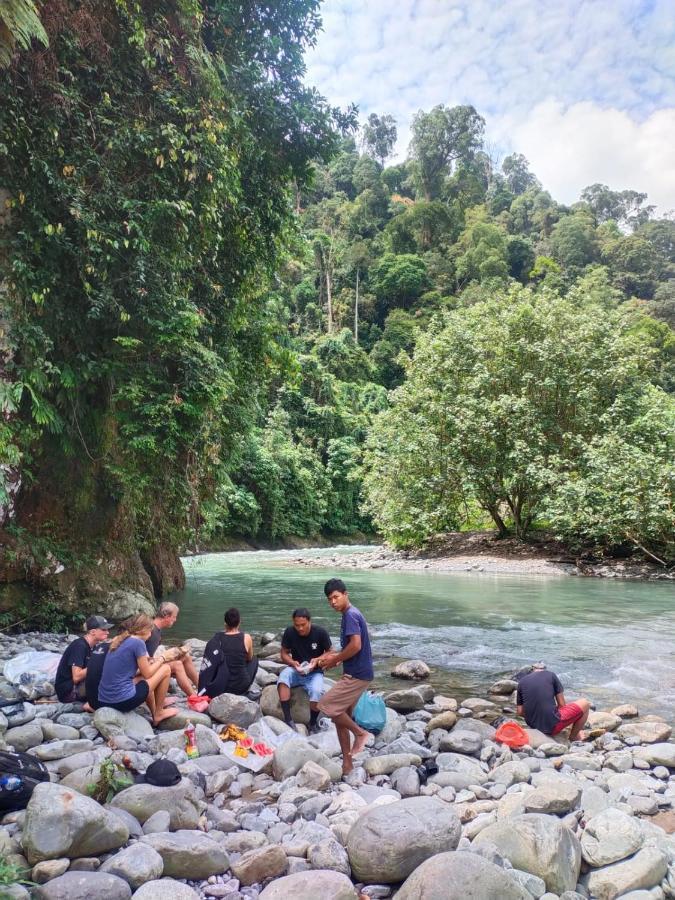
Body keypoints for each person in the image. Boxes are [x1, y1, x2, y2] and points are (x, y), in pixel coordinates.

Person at [317, 578, 374, 776]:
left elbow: (356, 645)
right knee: (342, 717)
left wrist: (335, 660)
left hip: (357, 675)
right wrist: (338, 658)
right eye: (329, 599)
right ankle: (347, 763)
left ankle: (360, 734)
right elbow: (353, 647)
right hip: (359, 671)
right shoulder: (351, 614)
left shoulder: (350, 615)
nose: (332, 602)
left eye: (335, 597)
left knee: (326, 705)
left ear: (345, 594)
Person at [98, 613, 177, 725]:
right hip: (122, 701)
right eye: (150, 631)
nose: (150, 635)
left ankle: (154, 710)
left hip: (103, 700)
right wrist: (163, 658)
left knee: (142, 679)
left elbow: (128, 669)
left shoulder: (120, 639)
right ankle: (159, 713)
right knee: (165, 669)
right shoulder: (138, 642)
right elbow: (148, 674)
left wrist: (150, 662)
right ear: (142, 630)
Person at [277, 607, 332, 732]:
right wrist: (292, 662)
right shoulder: (290, 632)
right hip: (296, 669)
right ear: (293, 623)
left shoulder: (320, 632)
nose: (300, 628)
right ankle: (288, 719)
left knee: (317, 691)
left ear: (309, 621)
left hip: (315, 672)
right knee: (283, 678)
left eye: (303, 625)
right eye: (297, 625)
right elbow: (284, 653)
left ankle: (312, 724)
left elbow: (330, 652)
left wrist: (317, 659)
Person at [516, 662, 591, 741]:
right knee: (585, 703)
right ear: (545, 670)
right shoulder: (551, 675)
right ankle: (573, 737)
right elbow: (562, 705)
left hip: (533, 725)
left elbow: (520, 712)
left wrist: (536, 717)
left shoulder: (522, 682)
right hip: (551, 727)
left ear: (532, 670)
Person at [198, 607, 258, 697]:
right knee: (254, 660)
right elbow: (249, 658)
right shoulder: (246, 637)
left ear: (225, 623)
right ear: (239, 622)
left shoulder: (217, 639)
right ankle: (246, 692)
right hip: (241, 686)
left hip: (221, 686)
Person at [54, 615, 113, 706]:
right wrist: (97, 663)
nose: (108, 632)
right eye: (104, 630)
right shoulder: (79, 646)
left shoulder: (93, 647)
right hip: (68, 692)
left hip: (79, 686)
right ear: (93, 632)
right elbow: (76, 677)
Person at [145, 602, 199, 698]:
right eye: (174, 617)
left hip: (152, 663)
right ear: (166, 616)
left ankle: (201, 687)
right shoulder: (151, 632)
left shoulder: (156, 629)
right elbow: (146, 660)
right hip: (146, 669)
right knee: (177, 665)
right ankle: (194, 698)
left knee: (185, 656)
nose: (175, 620)